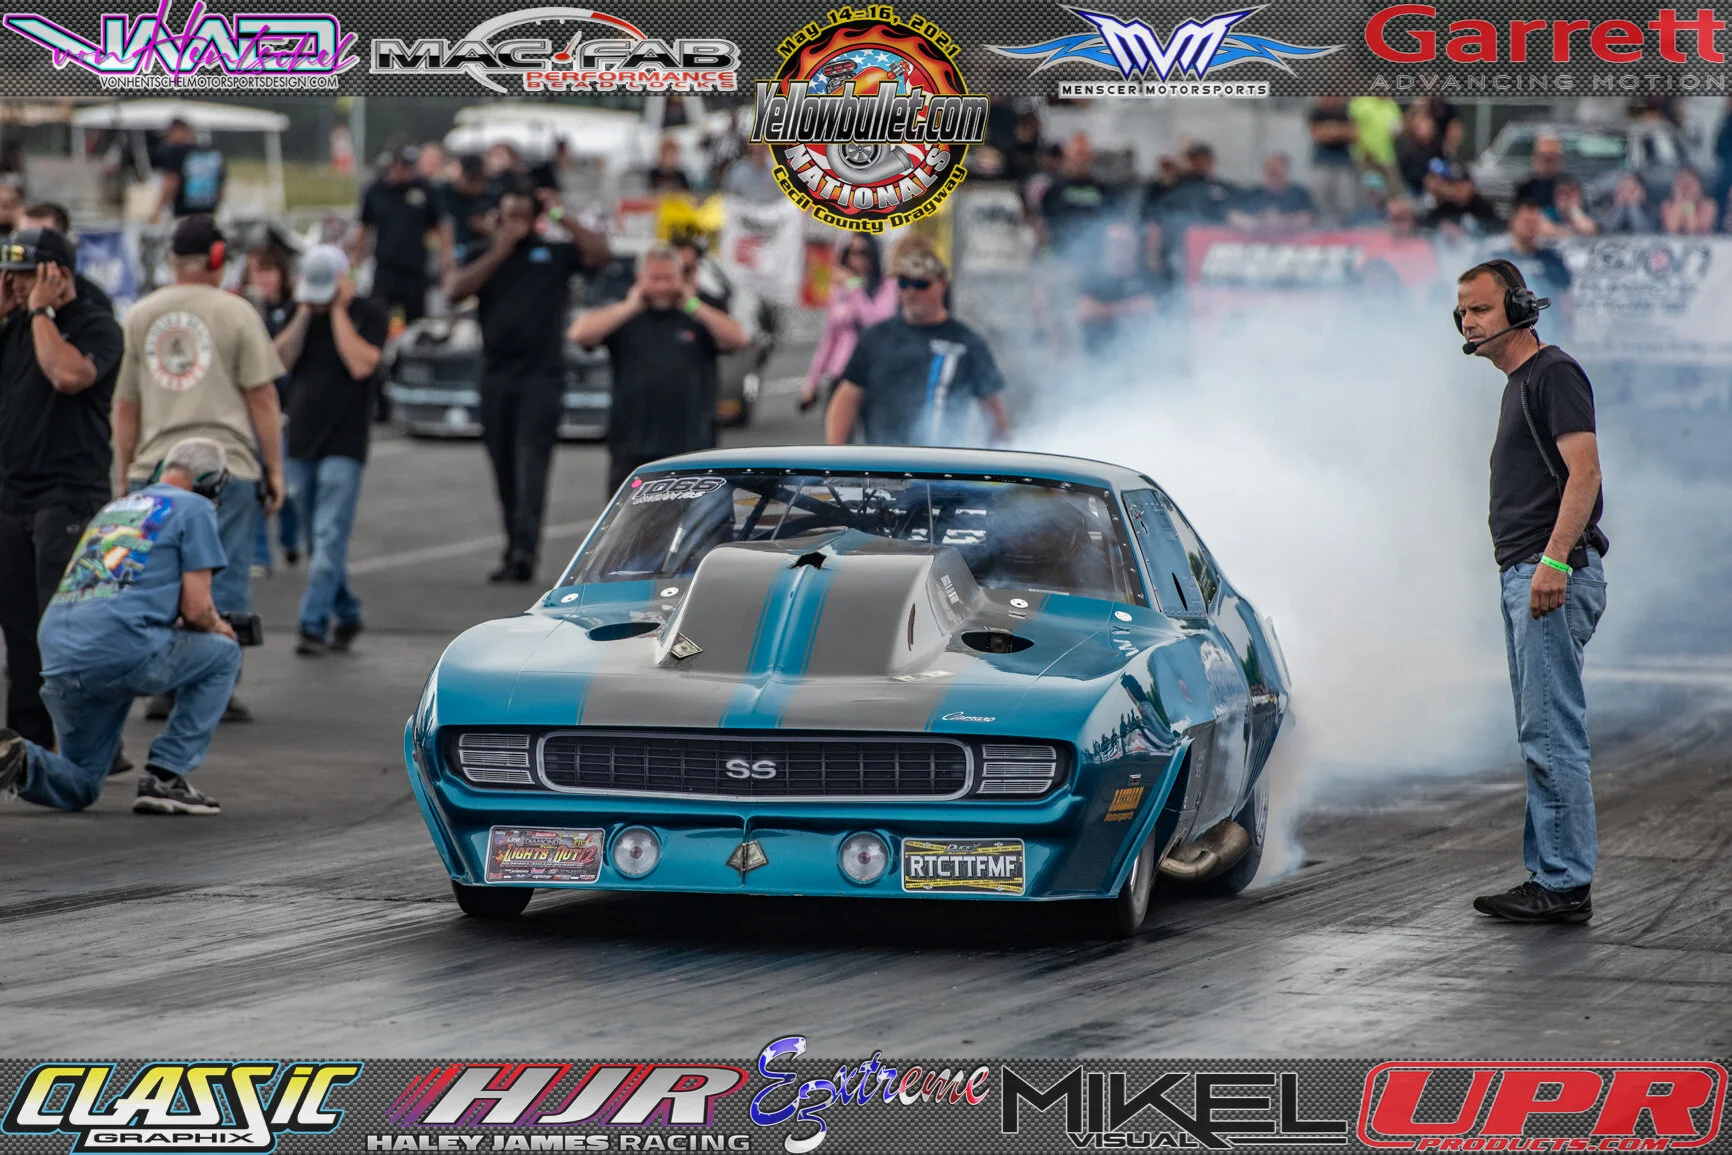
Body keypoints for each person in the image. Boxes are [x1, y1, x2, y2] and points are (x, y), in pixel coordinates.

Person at [1456, 259, 1608, 924]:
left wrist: (1553, 562)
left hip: (1548, 576)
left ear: (1520, 307)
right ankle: (1550, 874)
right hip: (1531, 574)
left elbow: (1585, 473)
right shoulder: (1520, 382)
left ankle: (1565, 883)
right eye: (1462, 312)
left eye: (1481, 309)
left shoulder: (1553, 373)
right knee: (1538, 732)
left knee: (1551, 733)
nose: (1468, 322)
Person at [0, 437, 241, 816]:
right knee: (224, 654)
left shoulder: (115, 508)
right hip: (121, 648)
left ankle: (18, 759)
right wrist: (221, 627)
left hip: (60, 652)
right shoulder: (195, 507)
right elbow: (197, 611)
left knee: (81, 784)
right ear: (212, 482)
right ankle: (166, 777)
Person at [113, 215, 285, 723]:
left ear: (171, 259)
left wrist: (124, 475)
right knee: (222, 579)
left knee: (157, 582)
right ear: (217, 258)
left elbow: (125, 406)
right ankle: (215, 688)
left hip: (155, 470)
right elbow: (262, 398)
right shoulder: (238, 312)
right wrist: (275, 470)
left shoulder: (140, 315)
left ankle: (164, 684)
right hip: (224, 469)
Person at [444, 184, 608, 583]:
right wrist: (500, 250)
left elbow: (600, 254)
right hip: (496, 376)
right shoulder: (483, 254)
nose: (515, 225)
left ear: (535, 220)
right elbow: (455, 290)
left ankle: (524, 552)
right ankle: (511, 543)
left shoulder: (553, 254)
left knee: (531, 465)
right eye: (508, 217)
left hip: (541, 378)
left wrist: (561, 215)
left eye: (523, 217)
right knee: (503, 465)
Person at [0, 227, 124, 756]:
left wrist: (41, 312)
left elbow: (67, 375)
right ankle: (26, 746)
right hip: (12, 497)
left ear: (59, 275)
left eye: (26, 274)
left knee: (64, 630)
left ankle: (83, 744)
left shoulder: (96, 325)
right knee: (20, 630)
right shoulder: (14, 328)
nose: (16, 283)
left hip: (66, 496)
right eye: (10, 274)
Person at [273, 246, 387, 657]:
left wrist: (338, 311)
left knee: (328, 535)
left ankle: (312, 624)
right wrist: (305, 313)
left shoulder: (369, 313)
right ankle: (348, 611)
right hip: (302, 438)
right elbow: (277, 362)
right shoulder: (299, 312)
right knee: (314, 539)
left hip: (345, 441)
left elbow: (361, 364)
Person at [569, 245, 748, 493]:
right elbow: (579, 334)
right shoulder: (624, 310)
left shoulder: (700, 307)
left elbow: (738, 339)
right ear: (640, 278)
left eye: (669, 278)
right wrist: (630, 307)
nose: (663, 286)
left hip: (692, 442)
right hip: (633, 443)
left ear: (680, 277)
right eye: (655, 279)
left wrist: (693, 305)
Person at [824, 238, 1011, 448]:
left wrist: (995, 459)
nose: (911, 292)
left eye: (921, 284)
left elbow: (995, 416)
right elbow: (846, 399)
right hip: (883, 461)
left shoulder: (968, 343)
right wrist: (836, 455)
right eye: (904, 283)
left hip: (941, 462)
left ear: (942, 284)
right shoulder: (875, 338)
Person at [242, 244, 301, 571]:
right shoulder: (243, 312)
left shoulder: (293, 310)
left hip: (287, 407)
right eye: (255, 272)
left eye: (268, 271)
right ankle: (260, 554)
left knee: (288, 487)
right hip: (254, 409)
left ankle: (291, 537)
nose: (261, 279)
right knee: (256, 484)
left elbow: (276, 359)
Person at [801, 234, 898, 412]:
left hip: (874, 374)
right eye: (851, 252)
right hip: (842, 373)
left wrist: (854, 288)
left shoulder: (887, 287)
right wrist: (812, 381)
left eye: (863, 252)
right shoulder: (840, 291)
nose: (857, 258)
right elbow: (830, 338)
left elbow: (875, 322)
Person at [355, 144, 442, 326]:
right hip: (386, 266)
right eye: (403, 166)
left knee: (416, 321)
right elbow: (364, 226)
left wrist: (445, 257)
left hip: (415, 268)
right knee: (376, 315)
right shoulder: (376, 190)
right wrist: (357, 259)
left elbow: (440, 224)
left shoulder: (424, 189)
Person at [1076, 219, 1162, 356]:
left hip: (1139, 356)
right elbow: (1084, 312)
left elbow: (1150, 308)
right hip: (1098, 358)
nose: (1120, 249)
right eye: (1115, 243)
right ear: (1106, 246)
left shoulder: (1147, 277)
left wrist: (1102, 310)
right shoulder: (1093, 278)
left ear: (1134, 247)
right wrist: (1127, 309)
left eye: (1126, 244)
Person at [18, 203, 113, 314]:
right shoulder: (11, 294)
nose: (26, 245)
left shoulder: (93, 300)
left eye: (40, 237)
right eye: (21, 235)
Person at [1038, 133, 1118, 255]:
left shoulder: (1105, 191)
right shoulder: (1053, 191)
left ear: (1091, 156)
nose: (1080, 159)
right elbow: (1043, 228)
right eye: (1077, 153)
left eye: (1084, 153)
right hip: (1061, 255)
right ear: (1067, 154)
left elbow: (1114, 225)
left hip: (1094, 257)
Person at [1488, 200, 1574, 310]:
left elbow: (1565, 297)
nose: (1531, 227)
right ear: (1512, 222)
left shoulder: (1552, 260)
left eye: (1535, 222)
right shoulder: (1497, 261)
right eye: (1526, 222)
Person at [152, 118, 224, 223]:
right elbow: (220, 186)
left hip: (184, 215)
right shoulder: (212, 154)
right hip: (209, 214)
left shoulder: (175, 152)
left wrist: (156, 212)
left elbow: (171, 182)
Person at [1227, 152, 1316, 230]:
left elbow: (1307, 218)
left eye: (1277, 167)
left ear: (1287, 169)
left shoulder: (1299, 194)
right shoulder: (1253, 193)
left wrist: (1282, 223)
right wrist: (1253, 223)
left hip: (1293, 241)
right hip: (1257, 240)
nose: (1272, 170)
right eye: (1268, 167)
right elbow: (1234, 215)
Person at [439, 154, 496, 270]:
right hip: (452, 250)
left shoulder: (488, 197)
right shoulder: (445, 193)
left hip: (479, 251)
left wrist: (486, 226)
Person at [1307, 96, 1358, 223]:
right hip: (1322, 161)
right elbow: (1316, 135)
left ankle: (1344, 224)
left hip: (1343, 162)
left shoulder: (1345, 112)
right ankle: (1322, 224)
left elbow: (1354, 134)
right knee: (1320, 197)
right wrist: (1339, 131)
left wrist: (1329, 131)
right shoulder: (1317, 112)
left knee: (1345, 198)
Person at [1422, 160, 1503, 235]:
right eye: (1454, 184)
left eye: (1462, 184)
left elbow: (1497, 229)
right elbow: (1428, 226)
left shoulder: (1483, 207)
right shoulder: (1445, 207)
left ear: (1471, 185)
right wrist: (1441, 226)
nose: (1458, 188)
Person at [1514, 133, 1568, 214]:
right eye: (1544, 157)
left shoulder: (1569, 187)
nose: (1547, 164)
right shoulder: (1525, 188)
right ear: (1534, 157)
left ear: (1559, 158)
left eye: (1552, 158)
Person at [1660, 168, 1717, 235]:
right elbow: (1672, 228)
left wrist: (1689, 203)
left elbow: (1693, 229)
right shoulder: (1667, 205)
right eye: (1683, 187)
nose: (1686, 190)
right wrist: (1678, 200)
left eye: (1689, 185)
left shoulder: (1708, 205)